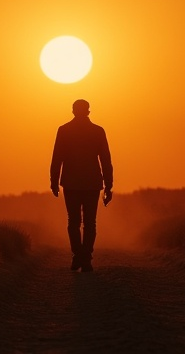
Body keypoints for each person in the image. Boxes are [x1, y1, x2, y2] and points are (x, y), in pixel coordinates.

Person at [50, 99, 113, 272]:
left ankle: (79, 256)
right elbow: (106, 160)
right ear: (88, 112)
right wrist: (109, 185)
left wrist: (54, 181)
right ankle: (85, 258)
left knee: (74, 222)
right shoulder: (98, 131)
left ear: (73, 111)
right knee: (90, 223)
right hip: (92, 183)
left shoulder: (64, 130)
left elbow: (57, 158)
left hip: (71, 183)